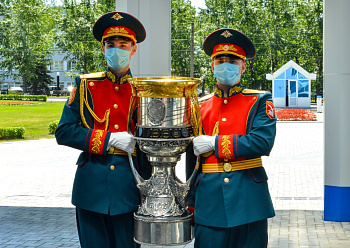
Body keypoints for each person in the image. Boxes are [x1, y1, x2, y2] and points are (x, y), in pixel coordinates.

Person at [55, 12, 150, 248]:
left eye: (123, 45)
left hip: (130, 188)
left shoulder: (144, 90)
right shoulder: (85, 84)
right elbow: (64, 131)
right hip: (91, 188)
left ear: (133, 49)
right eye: (110, 45)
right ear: (103, 48)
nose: (116, 50)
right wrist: (108, 139)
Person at [186, 28, 277, 248]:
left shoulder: (259, 101)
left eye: (233, 61)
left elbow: (262, 142)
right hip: (209, 201)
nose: (226, 65)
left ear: (243, 66)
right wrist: (190, 200)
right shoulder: (198, 106)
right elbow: (193, 159)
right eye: (220, 60)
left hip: (249, 201)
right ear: (212, 65)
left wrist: (215, 143)